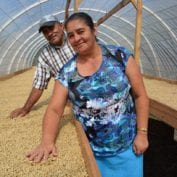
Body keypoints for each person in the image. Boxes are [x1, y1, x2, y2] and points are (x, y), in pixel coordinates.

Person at [26, 12, 149, 177]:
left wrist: (142, 133)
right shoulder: (67, 72)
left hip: (128, 148)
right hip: (93, 154)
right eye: (71, 36)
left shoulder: (120, 56)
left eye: (81, 31)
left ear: (94, 30)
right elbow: (55, 109)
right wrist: (46, 142)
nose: (76, 38)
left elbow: (140, 96)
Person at [10, 14, 75, 118]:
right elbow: (39, 85)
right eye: (45, 31)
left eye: (51, 28)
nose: (49, 33)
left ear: (62, 26)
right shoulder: (45, 55)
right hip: (71, 95)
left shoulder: (75, 39)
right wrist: (26, 108)